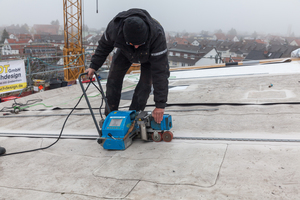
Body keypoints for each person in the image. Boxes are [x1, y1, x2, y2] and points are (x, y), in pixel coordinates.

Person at [86, 8, 169, 123]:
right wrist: (93, 65)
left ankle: (134, 117)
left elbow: (160, 72)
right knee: (113, 80)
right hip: (124, 51)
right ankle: (110, 117)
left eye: (138, 44)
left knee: (145, 85)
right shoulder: (115, 28)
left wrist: (160, 105)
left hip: (149, 54)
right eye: (132, 44)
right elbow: (104, 47)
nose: (135, 47)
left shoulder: (157, 35)